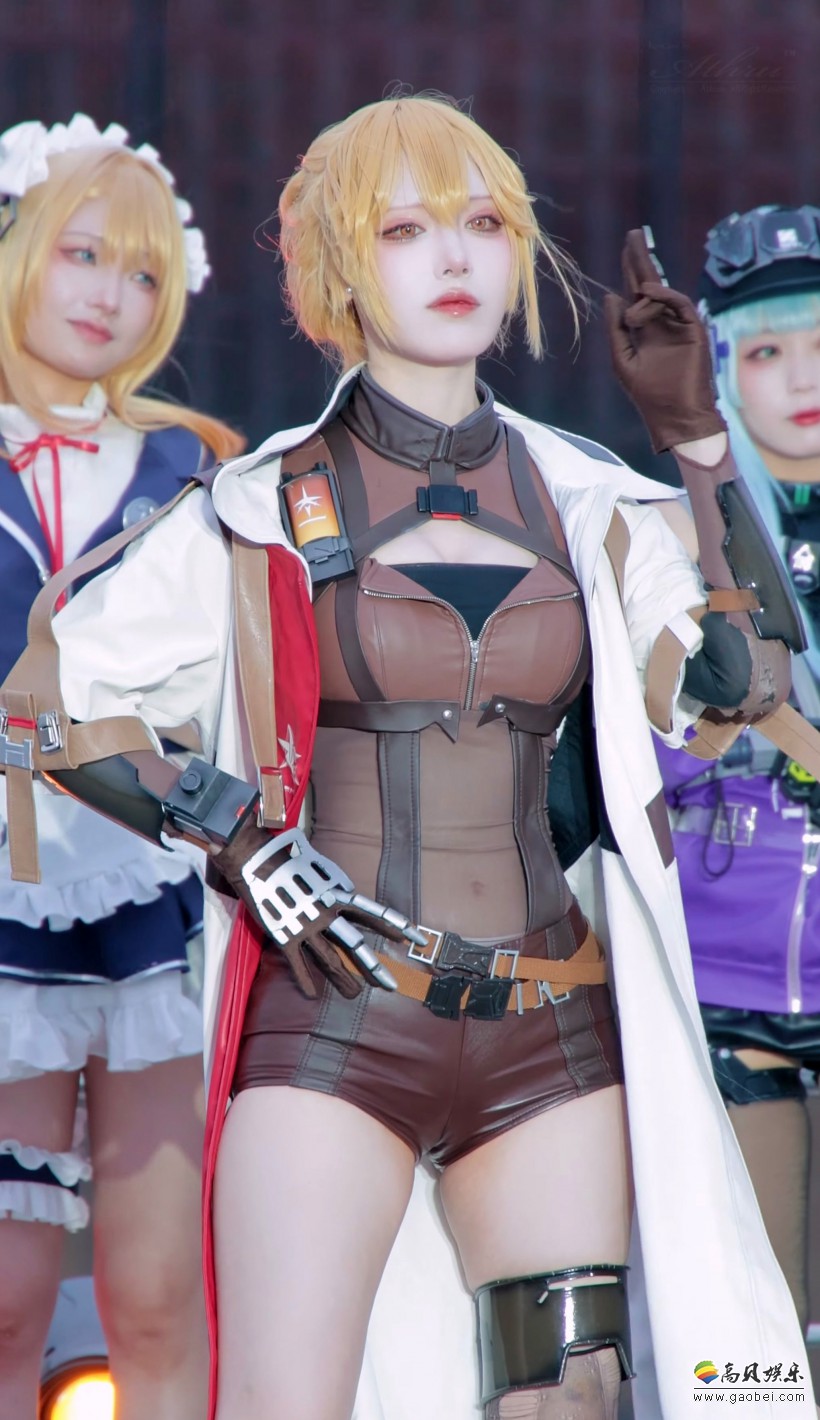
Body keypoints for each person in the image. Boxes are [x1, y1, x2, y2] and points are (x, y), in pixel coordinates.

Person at [0, 97, 813, 1420]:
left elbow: (742, 681)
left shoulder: (589, 497)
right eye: (404, 229)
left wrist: (700, 448)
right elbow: (50, 708)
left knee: (571, 1405)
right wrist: (241, 839)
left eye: (482, 223)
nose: (452, 257)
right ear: (337, 266)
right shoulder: (257, 504)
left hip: (550, 1031)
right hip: (334, 1032)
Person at [0, 114, 243, 1420]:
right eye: (81, 253)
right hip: (1, 906)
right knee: (4, 1294)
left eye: (144, 271)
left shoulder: (200, 467)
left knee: (159, 1293)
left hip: (154, 899)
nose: (110, 293)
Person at [657, 204, 820, 1333]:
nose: (801, 376)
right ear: (720, 367)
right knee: (747, 1326)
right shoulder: (664, 533)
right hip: (725, 971)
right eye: (765, 351)